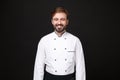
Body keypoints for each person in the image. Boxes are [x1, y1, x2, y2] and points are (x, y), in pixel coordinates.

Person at [33, 7, 86, 80]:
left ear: (67, 21)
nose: (59, 22)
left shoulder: (75, 41)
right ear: (52, 21)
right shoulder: (44, 40)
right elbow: (38, 67)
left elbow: (80, 67)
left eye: (62, 19)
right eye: (56, 19)